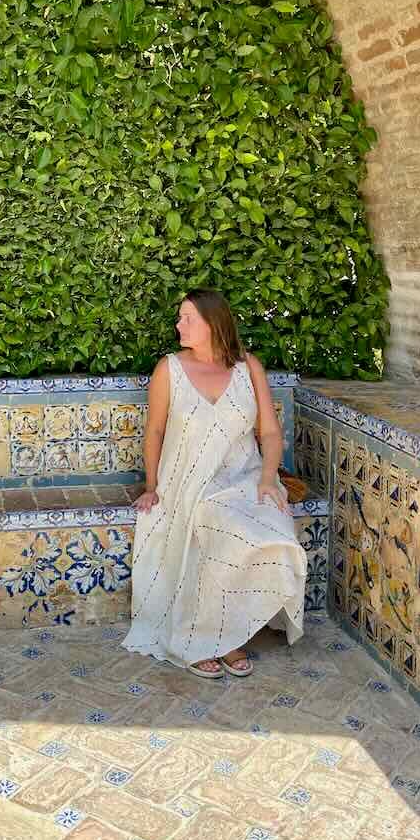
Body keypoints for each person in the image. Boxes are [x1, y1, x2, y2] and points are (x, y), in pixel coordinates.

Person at [122, 288, 307, 678]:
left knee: (276, 532)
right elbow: (154, 431)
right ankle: (214, 640)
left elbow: (270, 434)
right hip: (189, 483)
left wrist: (269, 479)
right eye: (180, 317)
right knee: (225, 529)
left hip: (244, 478)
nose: (179, 324)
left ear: (213, 322)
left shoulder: (248, 367)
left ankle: (231, 629)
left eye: (187, 317)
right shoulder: (168, 369)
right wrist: (153, 486)